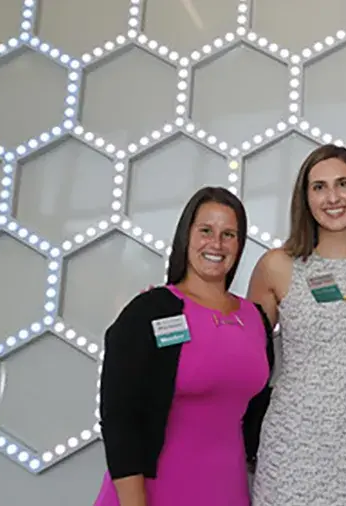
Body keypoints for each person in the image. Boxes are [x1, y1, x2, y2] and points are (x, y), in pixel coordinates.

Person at [247, 144, 346, 505]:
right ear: (304, 198)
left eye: (342, 184)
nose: (332, 197)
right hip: (294, 451)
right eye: (318, 187)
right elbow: (247, 356)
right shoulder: (277, 266)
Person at [93, 187, 274, 506]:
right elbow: (120, 417)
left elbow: (259, 415)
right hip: (154, 492)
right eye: (206, 230)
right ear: (186, 235)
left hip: (228, 492)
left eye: (228, 234)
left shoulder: (255, 318)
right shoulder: (150, 310)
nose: (216, 244)